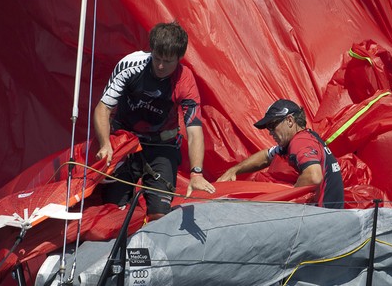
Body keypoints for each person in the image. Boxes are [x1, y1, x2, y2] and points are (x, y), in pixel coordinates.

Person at [94, 21, 215, 220]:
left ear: (179, 58)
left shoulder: (185, 80)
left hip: (162, 146)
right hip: (124, 141)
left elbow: (194, 130)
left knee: (160, 214)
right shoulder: (131, 64)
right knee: (113, 211)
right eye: (156, 58)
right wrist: (105, 144)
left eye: (167, 61)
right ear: (151, 50)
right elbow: (103, 108)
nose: (160, 66)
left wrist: (196, 173)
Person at [217, 99, 344, 209]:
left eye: (272, 125)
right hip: (329, 217)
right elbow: (266, 157)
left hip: (322, 221)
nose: (270, 132)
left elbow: (313, 176)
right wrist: (234, 170)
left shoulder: (300, 141)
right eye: (268, 128)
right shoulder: (303, 138)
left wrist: (285, 200)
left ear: (289, 120)